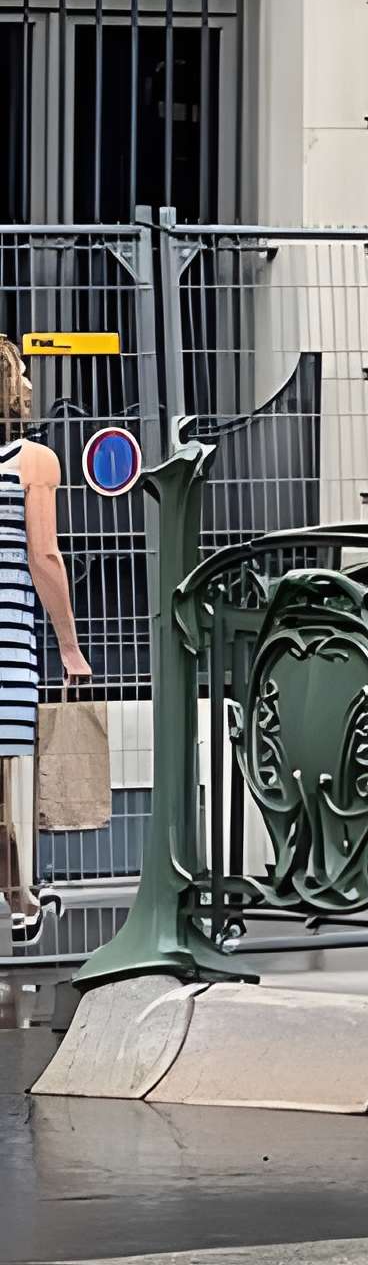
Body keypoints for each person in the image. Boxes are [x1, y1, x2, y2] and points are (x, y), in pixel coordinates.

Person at [1, 342, 82, 945]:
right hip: (7, 639)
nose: (29, 384)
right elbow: (45, 556)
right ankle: (20, 899)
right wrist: (70, 647)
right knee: (8, 778)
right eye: (22, 373)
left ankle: (19, 892)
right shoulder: (33, 462)